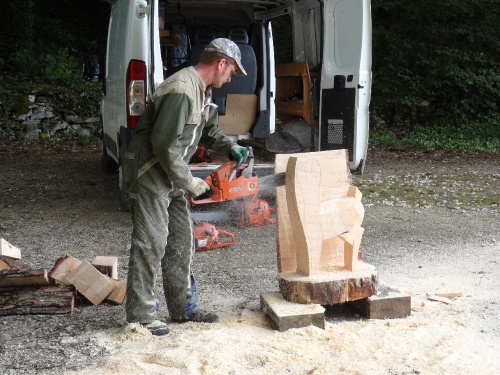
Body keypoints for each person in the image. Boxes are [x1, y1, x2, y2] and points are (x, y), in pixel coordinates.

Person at [123, 38, 248, 336]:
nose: (231, 77)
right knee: (151, 241)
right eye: (231, 71)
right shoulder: (181, 89)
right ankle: (141, 315)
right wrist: (190, 182)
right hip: (151, 171)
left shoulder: (203, 92)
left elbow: (209, 130)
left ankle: (183, 309)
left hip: (171, 172)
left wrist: (230, 148)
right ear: (220, 63)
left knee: (181, 242)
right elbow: (164, 145)